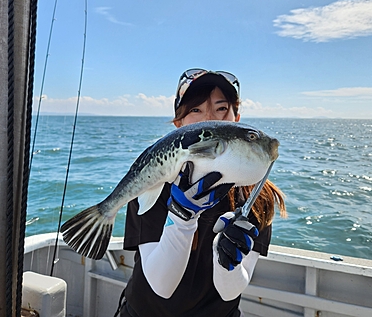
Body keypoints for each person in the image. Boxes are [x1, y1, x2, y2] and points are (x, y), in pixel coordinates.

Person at [117, 69, 286, 317]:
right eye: (195, 110)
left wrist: (226, 260)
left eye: (221, 109)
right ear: (178, 123)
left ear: (236, 119)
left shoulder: (258, 195)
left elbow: (230, 292)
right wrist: (182, 221)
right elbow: (161, 287)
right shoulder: (153, 180)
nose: (209, 118)